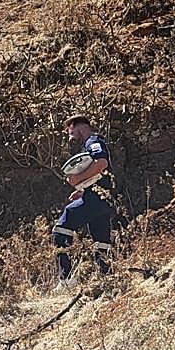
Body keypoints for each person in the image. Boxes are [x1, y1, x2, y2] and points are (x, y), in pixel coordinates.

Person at [53, 115, 114, 289]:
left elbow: (101, 163)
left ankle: (66, 279)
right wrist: (82, 190)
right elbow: (101, 175)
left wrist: (77, 178)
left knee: (61, 228)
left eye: (70, 133)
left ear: (77, 127)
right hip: (102, 199)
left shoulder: (93, 142)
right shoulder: (93, 143)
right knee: (101, 241)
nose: (70, 138)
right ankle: (107, 279)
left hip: (96, 198)